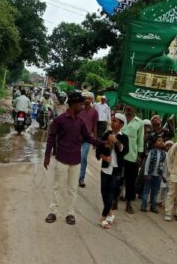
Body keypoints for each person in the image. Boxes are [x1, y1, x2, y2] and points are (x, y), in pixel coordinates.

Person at [44, 91, 112, 225]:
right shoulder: (60, 120)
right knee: (58, 186)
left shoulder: (80, 122)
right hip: (61, 159)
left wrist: (102, 143)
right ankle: (53, 211)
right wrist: (47, 156)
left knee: (72, 188)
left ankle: (70, 213)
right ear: (74, 105)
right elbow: (51, 137)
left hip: (75, 161)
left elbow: (88, 137)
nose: (82, 106)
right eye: (80, 104)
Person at [95, 113, 129, 229]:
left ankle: (103, 218)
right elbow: (97, 151)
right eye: (113, 120)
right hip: (105, 168)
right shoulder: (106, 134)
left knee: (110, 194)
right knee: (103, 192)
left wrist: (115, 141)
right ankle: (110, 213)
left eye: (116, 121)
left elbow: (125, 151)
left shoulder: (124, 137)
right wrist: (103, 157)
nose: (113, 123)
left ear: (121, 124)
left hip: (116, 169)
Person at [121, 106, 145, 214]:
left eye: (132, 106)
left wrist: (139, 157)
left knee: (130, 181)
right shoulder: (120, 118)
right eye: (127, 105)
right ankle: (114, 201)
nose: (129, 108)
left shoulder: (139, 122)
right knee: (117, 179)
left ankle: (128, 204)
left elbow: (140, 140)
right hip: (118, 155)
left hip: (132, 155)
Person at [78, 91, 99, 188]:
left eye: (89, 98)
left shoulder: (94, 112)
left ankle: (81, 178)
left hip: (87, 138)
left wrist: (94, 139)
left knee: (83, 157)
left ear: (92, 100)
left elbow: (95, 125)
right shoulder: (78, 109)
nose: (87, 100)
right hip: (76, 136)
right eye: (85, 98)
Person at [141, 136, 167, 213]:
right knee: (146, 191)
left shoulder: (164, 154)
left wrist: (163, 176)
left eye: (162, 141)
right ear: (155, 143)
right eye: (159, 140)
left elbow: (164, 166)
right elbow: (147, 163)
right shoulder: (151, 152)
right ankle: (143, 206)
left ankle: (153, 207)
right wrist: (146, 174)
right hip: (150, 175)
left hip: (158, 176)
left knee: (155, 193)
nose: (161, 142)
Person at [158, 140, 173, 210]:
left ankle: (166, 203)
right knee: (162, 188)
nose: (169, 147)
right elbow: (161, 164)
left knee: (169, 189)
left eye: (171, 145)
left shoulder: (174, 154)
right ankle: (160, 201)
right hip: (163, 174)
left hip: (171, 174)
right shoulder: (163, 154)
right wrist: (161, 174)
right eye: (168, 145)